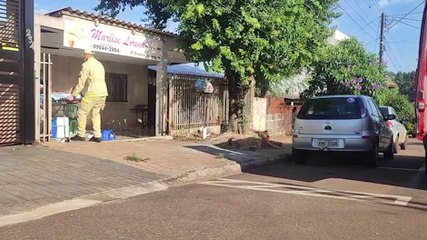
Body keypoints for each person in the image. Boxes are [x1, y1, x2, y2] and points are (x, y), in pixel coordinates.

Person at [68, 48, 108, 143]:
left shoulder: (86, 65)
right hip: (103, 93)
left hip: (92, 93)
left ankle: (81, 135)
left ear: (86, 55)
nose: (83, 56)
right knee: (96, 114)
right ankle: (97, 136)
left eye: (83, 54)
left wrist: (73, 95)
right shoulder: (99, 64)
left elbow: (81, 83)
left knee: (82, 112)